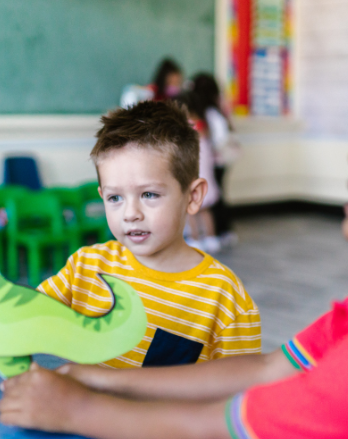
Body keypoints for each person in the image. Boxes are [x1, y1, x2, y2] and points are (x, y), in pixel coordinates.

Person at [0, 25, 348, 439]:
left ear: (192, 196)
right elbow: (267, 367)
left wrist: (76, 408)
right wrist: (102, 381)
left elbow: (219, 434)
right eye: (115, 197)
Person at [37, 100, 261, 368]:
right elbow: (25, 319)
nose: (130, 213)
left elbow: (240, 393)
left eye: (149, 194)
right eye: (115, 197)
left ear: (193, 196)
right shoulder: (85, 269)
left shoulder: (223, 297)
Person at [191, 73, 240, 248]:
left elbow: (219, 137)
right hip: (220, 160)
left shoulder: (209, 111)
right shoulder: (215, 108)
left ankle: (219, 233)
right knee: (217, 197)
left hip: (216, 160)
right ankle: (220, 232)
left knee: (214, 199)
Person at [177, 92, 221, 255]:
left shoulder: (185, 127)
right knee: (206, 209)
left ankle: (195, 240)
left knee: (191, 209)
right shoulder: (203, 123)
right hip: (206, 174)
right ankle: (212, 238)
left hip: (193, 173)